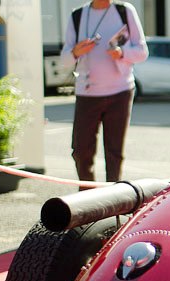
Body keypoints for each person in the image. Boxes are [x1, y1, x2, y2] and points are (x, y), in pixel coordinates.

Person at [61, 0, 148, 186]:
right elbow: (64, 59)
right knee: (81, 151)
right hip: (87, 93)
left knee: (114, 152)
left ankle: (112, 200)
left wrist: (122, 52)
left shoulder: (125, 11)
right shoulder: (78, 16)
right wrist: (76, 51)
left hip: (120, 91)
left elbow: (142, 52)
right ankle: (87, 198)